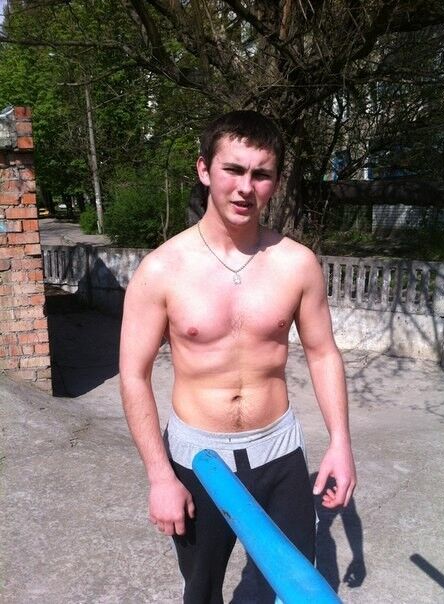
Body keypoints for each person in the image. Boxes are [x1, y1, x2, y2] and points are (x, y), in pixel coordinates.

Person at [119, 110, 356, 603]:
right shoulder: (161, 270)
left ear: (275, 182)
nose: (246, 187)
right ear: (204, 169)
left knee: (288, 586)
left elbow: (323, 353)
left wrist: (340, 442)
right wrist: (160, 476)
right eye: (233, 169)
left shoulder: (297, 263)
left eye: (261, 174)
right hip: (198, 461)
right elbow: (133, 375)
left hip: (279, 454)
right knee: (201, 590)